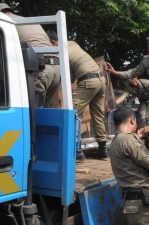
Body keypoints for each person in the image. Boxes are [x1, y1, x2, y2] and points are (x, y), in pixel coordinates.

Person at [45, 31, 108, 160]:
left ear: (52, 42)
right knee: (98, 116)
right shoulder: (72, 43)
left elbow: (67, 75)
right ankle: (103, 150)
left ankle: (77, 152)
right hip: (101, 80)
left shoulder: (60, 51)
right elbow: (73, 71)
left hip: (89, 81)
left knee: (72, 115)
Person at [0, 3, 57, 108]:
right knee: (43, 113)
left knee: (32, 115)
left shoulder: (4, 22)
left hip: (41, 68)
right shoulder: (26, 20)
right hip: (56, 69)